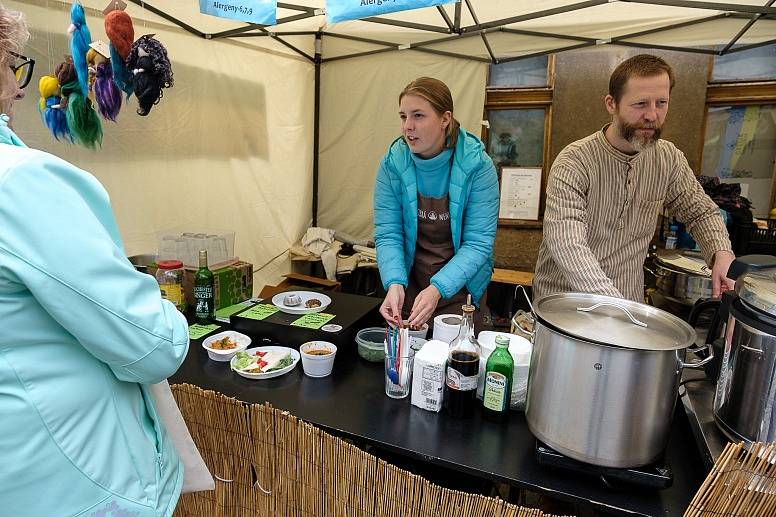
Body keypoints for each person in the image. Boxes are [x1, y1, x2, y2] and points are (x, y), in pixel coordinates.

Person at [0, 6, 190, 517]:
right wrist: (167, 315)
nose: (19, 88)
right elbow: (149, 342)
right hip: (77, 481)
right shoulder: (18, 182)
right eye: (13, 64)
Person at [534, 54, 735, 302]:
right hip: (564, 304)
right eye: (640, 104)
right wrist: (614, 304)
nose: (652, 115)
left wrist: (721, 253)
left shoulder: (668, 159)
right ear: (611, 104)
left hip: (627, 301)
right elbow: (566, 242)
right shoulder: (575, 161)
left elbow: (700, 212)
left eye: (661, 102)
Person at [374, 77, 499, 328]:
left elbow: (478, 243)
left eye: (418, 116)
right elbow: (388, 234)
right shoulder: (392, 164)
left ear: (445, 119)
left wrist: (438, 289)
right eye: (403, 116)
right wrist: (394, 282)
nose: (407, 127)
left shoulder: (478, 166)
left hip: (461, 290)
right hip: (411, 283)